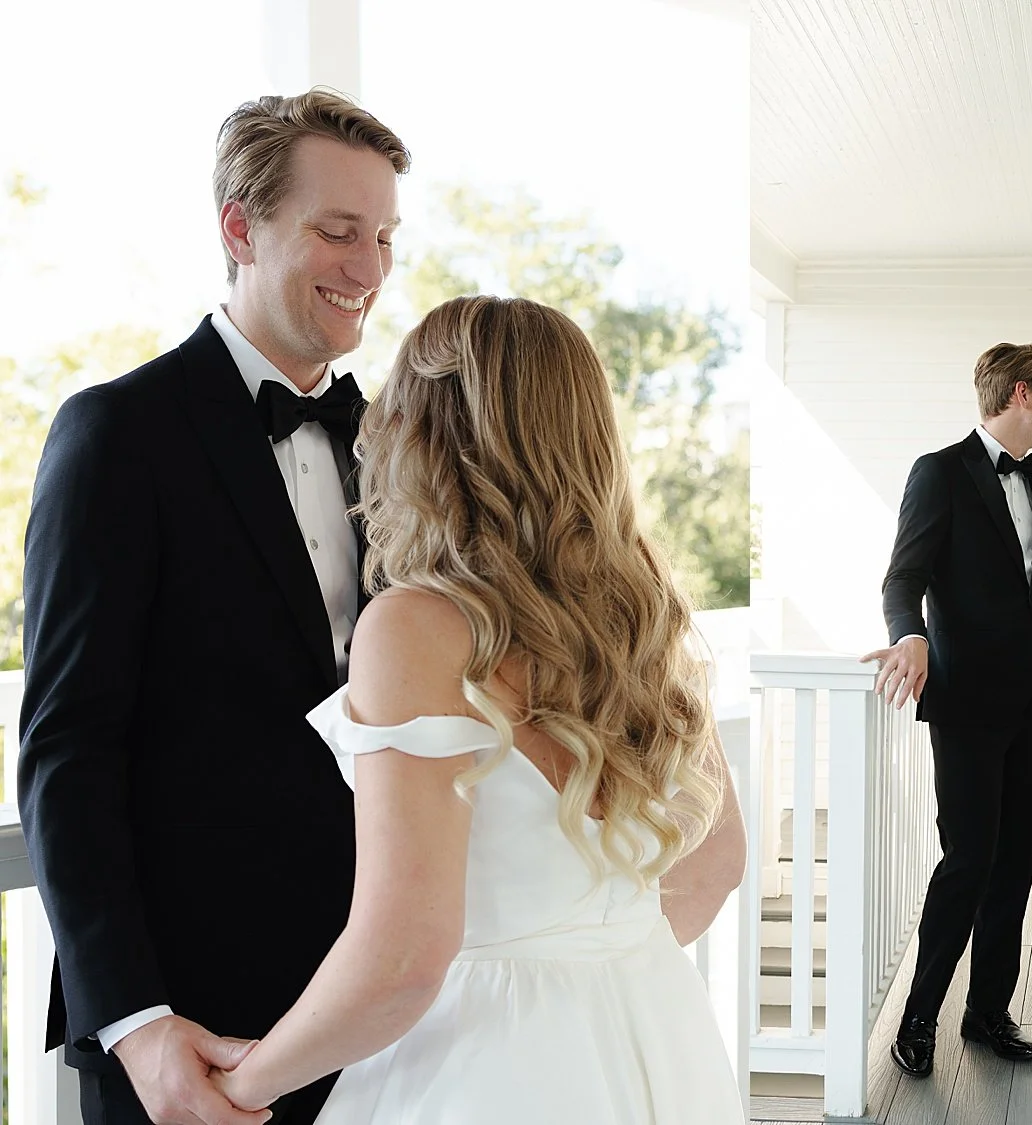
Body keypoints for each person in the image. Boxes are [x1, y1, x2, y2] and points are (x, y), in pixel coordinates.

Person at [206, 295, 747, 1123]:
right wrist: (589, 971)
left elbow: (405, 957)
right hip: (657, 1039)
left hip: (487, 1068)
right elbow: (716, 863)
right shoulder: (642, 606)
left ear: (424, 436)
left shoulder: (416, 627)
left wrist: (242, 1087)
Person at [18, 89, 409, 1124]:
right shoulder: (116, 434)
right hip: (187, 1029)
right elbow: (67, 748)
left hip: (382, 1015)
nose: (367, 269)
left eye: (383, 237)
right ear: (240, 226)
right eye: (336, 231)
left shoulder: (401, 449)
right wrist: (139, 1028)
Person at [863, 342, 1032, 1078]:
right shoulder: (939, 472)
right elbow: (902, 578)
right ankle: (918, 1018)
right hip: (967, 703)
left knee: (1016, 864)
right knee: (967, 860)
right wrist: (910, 636)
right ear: (1023, 393)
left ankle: (988, 1014)